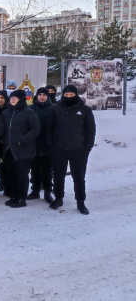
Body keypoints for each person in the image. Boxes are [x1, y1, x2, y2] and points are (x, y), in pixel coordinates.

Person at [46, 85, 96, 215]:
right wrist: (51, 146)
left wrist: (87, 148)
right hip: (58, 148)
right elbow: (49, 129)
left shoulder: (85, 110)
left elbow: (90, 131)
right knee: (58, 175)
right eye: (66, 95)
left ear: (76, 95)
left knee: (78, 176)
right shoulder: (55, 109)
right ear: (62, 95)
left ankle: (80, 201)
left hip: (78, 149)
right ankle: (58, 198)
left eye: (71, 95)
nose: (68, 97)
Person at [1, 90, 41, 208]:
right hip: (8, 150)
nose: (13, 99)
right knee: (11, 174)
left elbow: (36, 129)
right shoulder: (5, 113)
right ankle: (14, 196)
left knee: (22, 175)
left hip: (23, 150)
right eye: (11, 97)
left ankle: (22, 198)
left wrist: (24, 139)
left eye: (16, 98)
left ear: (22, 100)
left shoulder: (29, 113)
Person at [28, 87, 54, 204]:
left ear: (47, 96)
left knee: (48, 170)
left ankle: (48, 191)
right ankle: (35, 190)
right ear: (36, 96)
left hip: (48, 144)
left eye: (44, 94)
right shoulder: (31, 109)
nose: (42, 96)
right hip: (34, 144)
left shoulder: (53, 108)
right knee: (35, 169)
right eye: (40, 94)